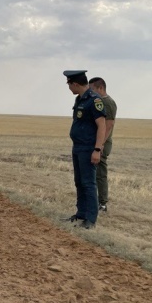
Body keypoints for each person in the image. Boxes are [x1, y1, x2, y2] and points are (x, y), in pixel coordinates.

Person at [63, 70, 106, 229]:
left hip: (88, 147)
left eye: (69, 84)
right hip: (78, 147)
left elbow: (101, 125)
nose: (68, 88)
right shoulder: (79, 99)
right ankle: (80, 213)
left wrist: (97, 149)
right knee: (79, 182)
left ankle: (90, 219)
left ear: (75, 83)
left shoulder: (94, 100)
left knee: (88, 183)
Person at [89, 77, 116, 212]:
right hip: (97, 142)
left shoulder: (108, 102)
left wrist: (101, 144)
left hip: (103, 143)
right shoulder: (98, 101)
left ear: (100, 88)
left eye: (92, 89)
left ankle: (102, 203)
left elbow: (109, 125)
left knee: (100, 173)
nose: (91, 92)